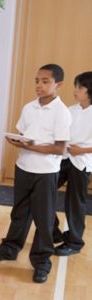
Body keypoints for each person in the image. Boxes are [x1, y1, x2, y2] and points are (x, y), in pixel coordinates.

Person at [0, 64, 71, 284]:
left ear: (58, 84)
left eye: (45, 81)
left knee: (43, 220)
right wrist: (18, 141)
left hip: (46, 173)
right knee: (20, 213)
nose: (39, 85)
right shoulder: (29, 107)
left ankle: (42, 262)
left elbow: (60, 149)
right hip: (23, 167)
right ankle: (10, 248)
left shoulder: (62, 112)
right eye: (37, 81)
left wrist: (31, 146)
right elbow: (24, 134)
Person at [52, 71, 92, 256]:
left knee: (74, 203)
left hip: (82, 162)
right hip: (64, 158)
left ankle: (74, 242)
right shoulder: (71, 110)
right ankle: (54, 232)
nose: (75, 90)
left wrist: (81, 150)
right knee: (44, 192)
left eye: (80, 87)